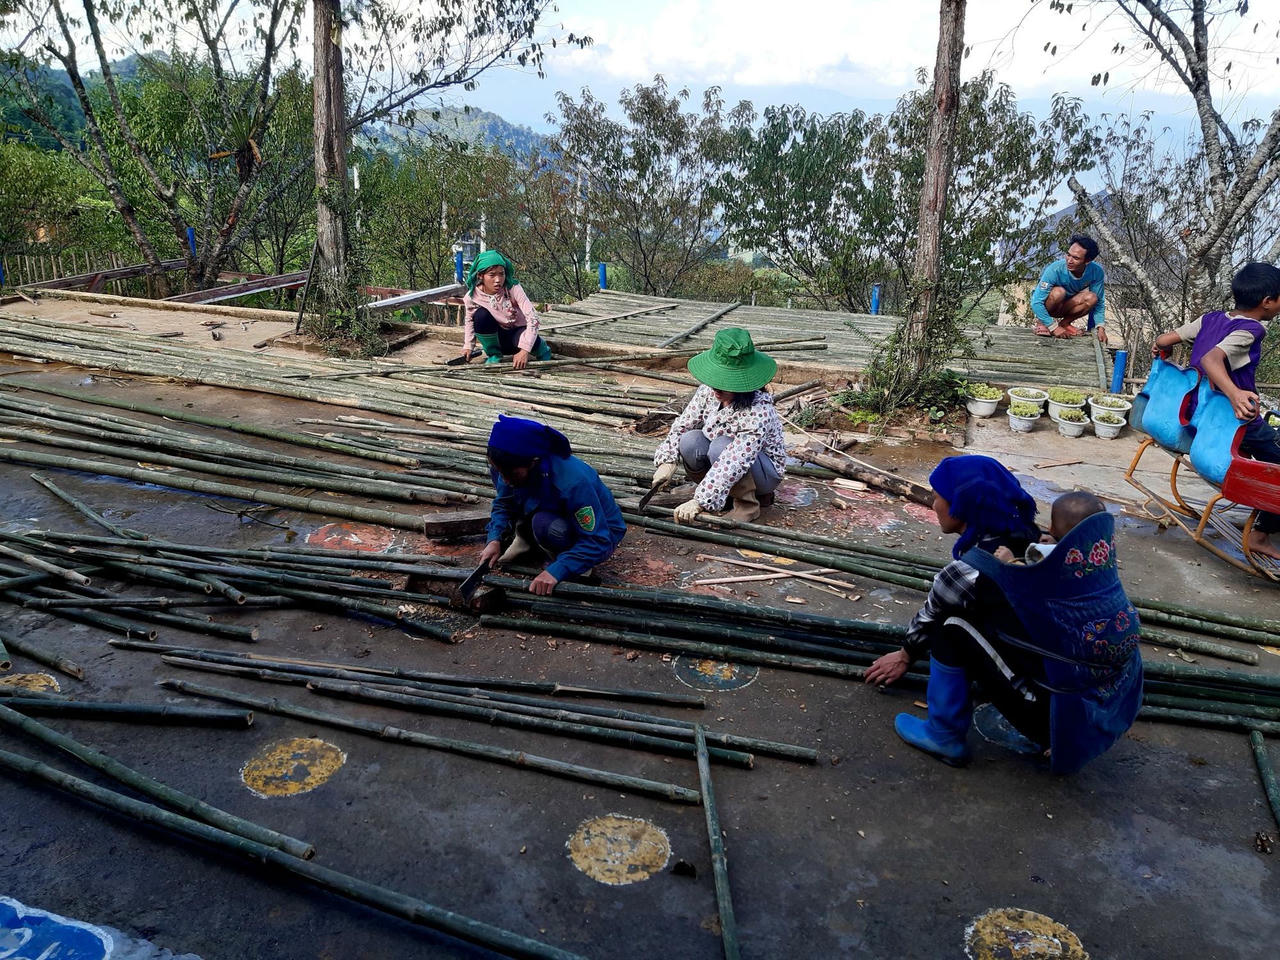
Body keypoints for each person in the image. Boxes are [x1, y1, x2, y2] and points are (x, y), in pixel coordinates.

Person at [864, 460, 1143, 775]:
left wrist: (904, 656)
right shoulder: (1046, 545)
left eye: (937, 495)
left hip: (1052, 716)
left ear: (960, 506)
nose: (933, 503)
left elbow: (927, 622)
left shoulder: (970, 570)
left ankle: (943, 734)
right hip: (1102, 706)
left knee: (952, 629)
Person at [1151, 261, 1280, 559]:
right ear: (1268, 301)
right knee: (1276, 468)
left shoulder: (1209, 318)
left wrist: (1163, 349)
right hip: (1232, 420)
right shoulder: (1251, 330)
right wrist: (1235, 395)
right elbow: (1212, 359)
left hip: (1197, 413)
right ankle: (1260, 535)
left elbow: (1163, 340)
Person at [651, 328, 786, 524]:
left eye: (725, 383)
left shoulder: (758, 410)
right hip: (723, 463)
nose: (717, 389)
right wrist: (667, 460)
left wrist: (699, 501)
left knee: (721, 446)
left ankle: (747, 504)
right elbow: (683, 424)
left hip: (763, 473)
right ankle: (720, 495)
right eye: (716, 381)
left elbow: (735, 458)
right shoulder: (708, 391)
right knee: (690, 441)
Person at [479, 415, 626, 595]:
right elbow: (503, 503)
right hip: (546, 511)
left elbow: (598, 540)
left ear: (533, 461)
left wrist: (558, 570)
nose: (505, 479)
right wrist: (494, 539)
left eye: (511, 473)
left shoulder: (573, 482)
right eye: (500, 472)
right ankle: (527, 540)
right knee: (527, 506)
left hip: (599, 534)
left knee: (544, 524)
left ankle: (571, 560)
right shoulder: (507, 468)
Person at [461, 250, 552, 369]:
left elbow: (533, 318)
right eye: (492, 275)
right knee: (480, 315)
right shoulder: (472, 297)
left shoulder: (513, 288)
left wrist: (524, 351)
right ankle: (494, 355)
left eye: (501, 274)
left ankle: (543, 351)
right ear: (480, 276)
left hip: (518, 334)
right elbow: (469, 321)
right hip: (498, 338)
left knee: (529, 338)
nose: (498, 280)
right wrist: (468, 346)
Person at [1030, 233, 1108, 343]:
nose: (1069, 260)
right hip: (1049, 305)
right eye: (1068, 255)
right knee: (1058, 292)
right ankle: (1042, 323)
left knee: (1092, 298)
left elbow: (1099, 303)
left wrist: (1101, 328)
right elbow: (1036, 302)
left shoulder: (1096, 271)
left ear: (1087, 261)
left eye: (1075, 258)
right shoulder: (1055, 269)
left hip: (1067, 306)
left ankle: (1065, 323)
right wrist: (1054, 328)